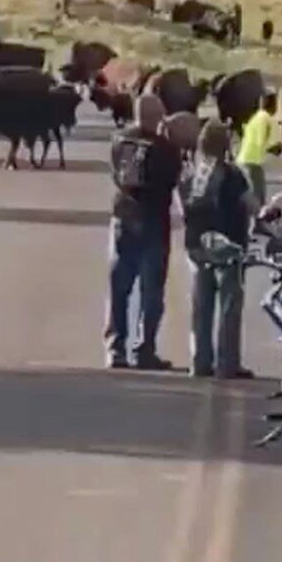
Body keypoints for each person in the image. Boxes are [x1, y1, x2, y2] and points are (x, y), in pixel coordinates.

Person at [105, 94, 183, 370]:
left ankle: (115, 348)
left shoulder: (118, 139)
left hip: (123, 214)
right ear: (156, 117)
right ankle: (144, 348)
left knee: (119, 287)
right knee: (151, 290)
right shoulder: (166, 148)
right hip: (153, 220)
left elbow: (115, 173)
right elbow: (174, 182)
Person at [182, 120, 260, 379]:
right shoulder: (233, 175)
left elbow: (184, 208)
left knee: (200, 307)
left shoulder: (193, 175)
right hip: (229, 246)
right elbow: (250, 205)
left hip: (197, 246)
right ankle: (228, 364)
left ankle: (199, 361)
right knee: (229, 307)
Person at [235, 91, 278, 205]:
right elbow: (261, 142)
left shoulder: (256, 116)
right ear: (273, 104)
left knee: (254, 196)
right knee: (258, 197)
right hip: (252, 161)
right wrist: (278, 148)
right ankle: (258, 221)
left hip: (245, 160)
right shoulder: (265, 118)